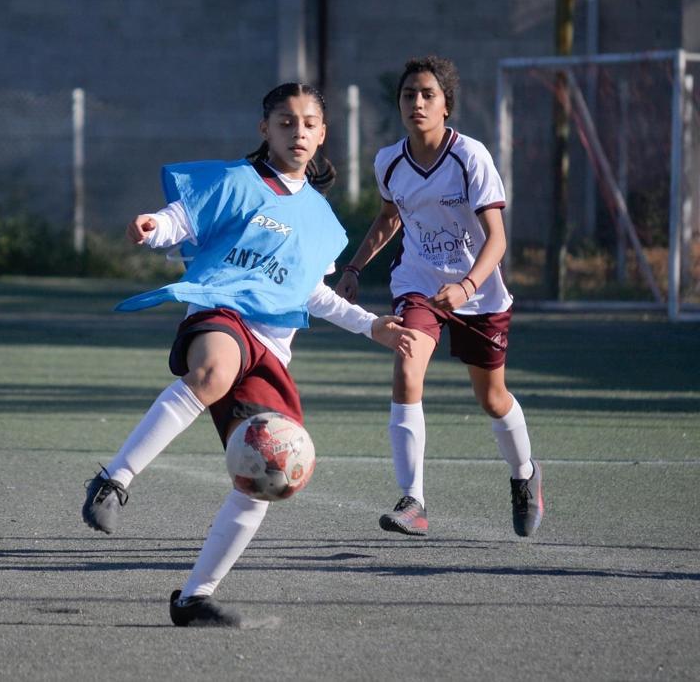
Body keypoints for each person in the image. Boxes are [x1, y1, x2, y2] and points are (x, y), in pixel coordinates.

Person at [80, 83, 418, 626]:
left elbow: (311, 293)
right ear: (265, 129)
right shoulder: (236, 182)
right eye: (285, 122)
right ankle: (115, 479)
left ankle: (194, 597)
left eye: (309, 123)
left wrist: (370, 324)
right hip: (221, 310)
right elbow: (181, 219)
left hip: (272, 344)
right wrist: (153, 227)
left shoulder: (322, 221)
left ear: (323, 133)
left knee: (267, 471)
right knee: (212, 371)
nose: (298, 132)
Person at [334, 55, 543, 539]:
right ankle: (414, 501)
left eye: (428, 94)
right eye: (409, 95)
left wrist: (468, 285)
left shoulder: (471, 157)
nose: (417, 103)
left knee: (492, 398)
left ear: (447, 104)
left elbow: (498, 239)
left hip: (479, 293)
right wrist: (354, 268)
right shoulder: (389, 160)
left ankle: (525, 475)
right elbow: (390, 217)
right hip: (419, 285)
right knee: (407, 367)